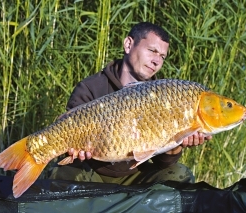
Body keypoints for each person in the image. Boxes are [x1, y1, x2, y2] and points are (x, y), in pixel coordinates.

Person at [49, 22, 212, 185]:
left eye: (162, 56)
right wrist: (76, 151)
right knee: (62, 173)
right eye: (152, 51)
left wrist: (178, 144)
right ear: (128, 45)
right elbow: (66, 138)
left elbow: (163, 164)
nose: (157, 61)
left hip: (135, 174)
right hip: (93, 172)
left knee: (179, 174)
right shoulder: (91, 87)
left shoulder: (165, 96)